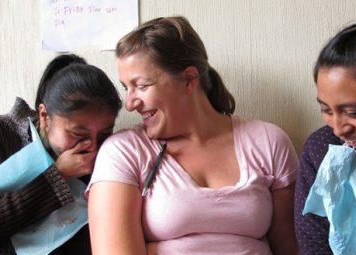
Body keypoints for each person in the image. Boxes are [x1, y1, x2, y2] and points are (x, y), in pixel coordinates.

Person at [88, 16, 299, 255]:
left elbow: (290, 248)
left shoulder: (269, 142)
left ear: (189, 79)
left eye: (142, 86)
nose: (130, 104)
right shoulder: (123, 152)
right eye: (127, 88)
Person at [0, 54, 122, 254]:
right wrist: (58, 175)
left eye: (104, 134)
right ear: (45, 117)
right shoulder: (3, 135)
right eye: (78, 134)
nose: (91, 147)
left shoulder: (109, 156)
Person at [294, 21, 356, 254]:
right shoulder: (322, 150)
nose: (339, 129)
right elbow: (314, 246)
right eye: (327, 110)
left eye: (353, 113)